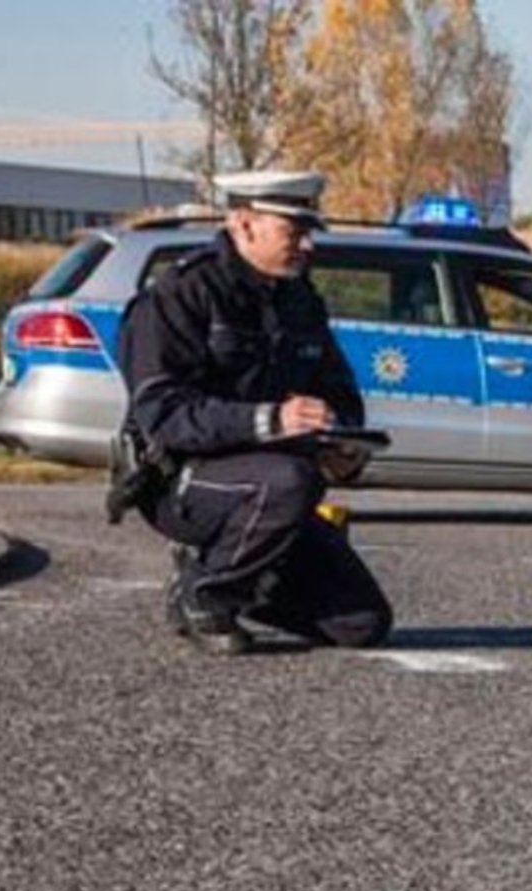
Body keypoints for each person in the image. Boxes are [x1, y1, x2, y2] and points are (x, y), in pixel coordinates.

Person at [116, 169, 392, 655]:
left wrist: (342, 441)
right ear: (244, 226)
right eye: (294, 233)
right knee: (288, 480)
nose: (307, 246)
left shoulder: (300, 301)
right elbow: (163, 413)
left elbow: (339, 391)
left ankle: (236, 577)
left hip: (272, 489)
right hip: (181, 478)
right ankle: (205, 594)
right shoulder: (181, 294)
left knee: (363, 623)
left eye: (308, 233)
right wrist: (268, 421)